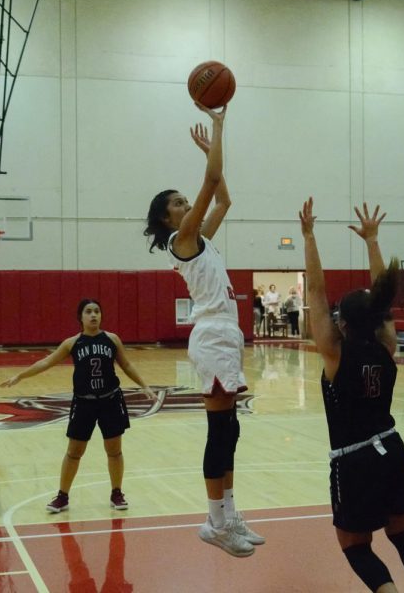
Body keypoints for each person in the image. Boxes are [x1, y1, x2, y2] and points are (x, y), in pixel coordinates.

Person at [143, 105, 263, 557]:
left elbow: (224, 199)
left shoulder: (202, 238)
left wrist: (214, 153)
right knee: (219, 430)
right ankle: (214, 522)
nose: (185, 204)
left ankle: (229, 516)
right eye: (177, 202)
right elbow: (211, 184)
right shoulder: (182, 240)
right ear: (166, 219)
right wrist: (217, 128)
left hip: (226, 333)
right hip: (212, 333)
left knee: (230, 430)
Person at [300, 198, 404, 593]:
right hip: (392, 449)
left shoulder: (335, 353)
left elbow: (316, 290)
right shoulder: (386, 346)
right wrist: (372, 241)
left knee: (354, 545)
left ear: (341, 322)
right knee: (403, 531)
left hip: (355, 460)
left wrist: (309, 237)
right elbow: (384, 297)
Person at [0, 299, 152, 514]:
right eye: (89, 312)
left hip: (110, 400)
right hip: (83, 403)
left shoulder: (112, 340)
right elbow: (46, 362)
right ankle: (62, 496)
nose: (93, 315)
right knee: (74, 451)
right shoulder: (72, 343)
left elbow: (126, 364)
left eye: (97, 311)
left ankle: (116, 492)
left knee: (114, 450)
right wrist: (20, 376)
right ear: (80, 317)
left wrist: (144, 385)